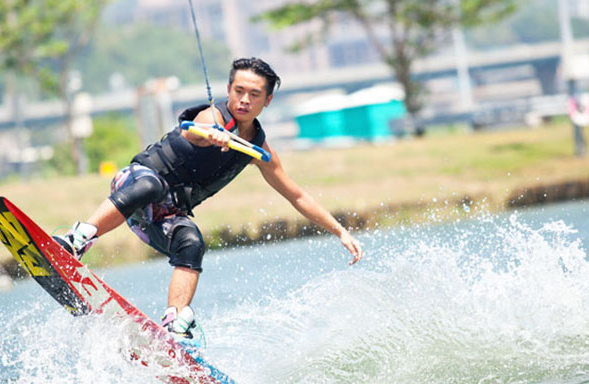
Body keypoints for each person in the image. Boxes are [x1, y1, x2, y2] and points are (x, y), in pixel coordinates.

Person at [54, 57, 362, 339]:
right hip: (133, 186)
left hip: (159, 219)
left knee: (192, 242)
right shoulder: (212, 115)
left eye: (254, 94)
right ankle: (76, 239)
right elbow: (194, 131)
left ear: (267, 100)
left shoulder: (258, 150)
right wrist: (211, 134)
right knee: (152, 186)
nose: (244, 100)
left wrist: (340, 230)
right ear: (228, 89)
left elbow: (296, 195)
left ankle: (174, 322)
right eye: (239, 91)